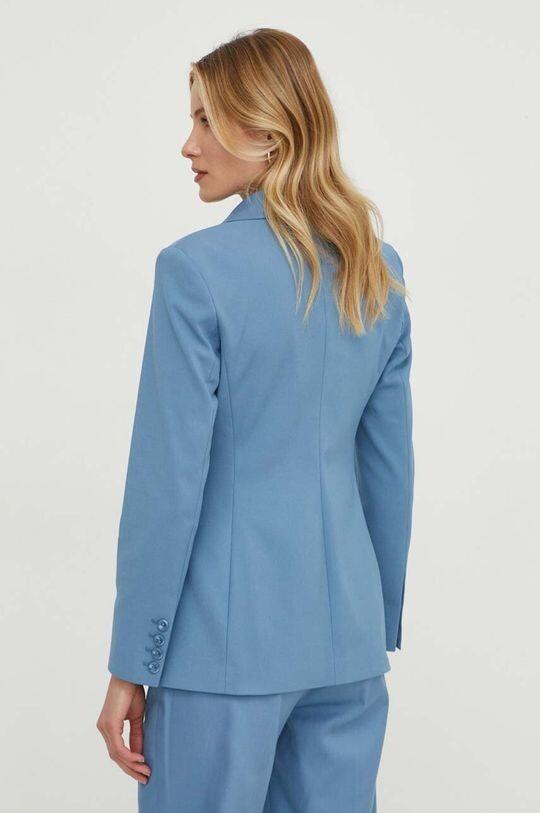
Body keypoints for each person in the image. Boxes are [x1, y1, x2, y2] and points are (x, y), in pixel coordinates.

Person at [96, 27, 414, 813]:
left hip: (221, 651)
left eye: (206, 119)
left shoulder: (195, 273)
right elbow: (389, 470)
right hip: (346, 649)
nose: (188, 144)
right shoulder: (377, 270)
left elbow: (167, 484)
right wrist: (373, 621)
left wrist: (133, 660)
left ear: (269, 133)